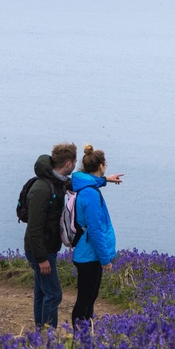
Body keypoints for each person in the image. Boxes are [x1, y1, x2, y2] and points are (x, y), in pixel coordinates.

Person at [23, 142, 78, 331]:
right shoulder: (42, 188)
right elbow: (34, 228)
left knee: (42, 293)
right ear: (69, 164)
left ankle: (40, 335)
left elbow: (78, 182)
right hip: (41, 250)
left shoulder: (58, 181)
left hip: (47, 248)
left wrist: (105, 179)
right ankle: (48, 338)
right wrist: (41, 258)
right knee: (54, 294)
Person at [70, 143, 123, 325]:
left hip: (87, 253)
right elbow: (95, 230)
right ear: (101, 165)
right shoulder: (91, 195)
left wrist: (106, 179)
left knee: (90, 297)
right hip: (89, 255)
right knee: (85, 299)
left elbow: (92, 181)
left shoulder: (85, 186)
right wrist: (105, 259)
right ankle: (80, 339)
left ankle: (85, 336)